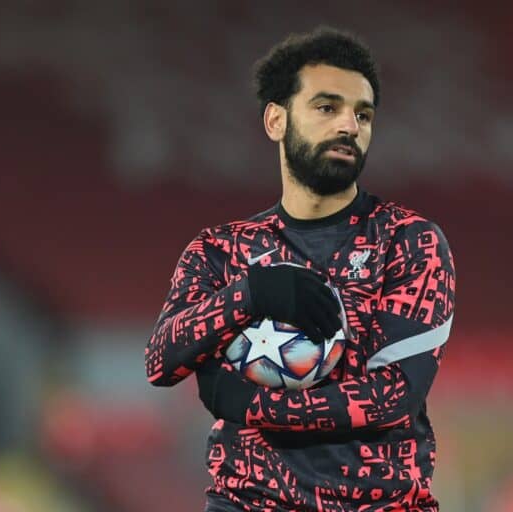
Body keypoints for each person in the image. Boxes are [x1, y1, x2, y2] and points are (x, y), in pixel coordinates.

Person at [145, 26, 456, 512]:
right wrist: (249, 294)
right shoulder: (220, 250)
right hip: (246, 502)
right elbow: (161, 361)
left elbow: (392, 397)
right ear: (276, 119)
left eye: (363, 114)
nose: (350, 125)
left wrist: (251, 406)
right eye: (327, 107)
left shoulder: (408, 240)